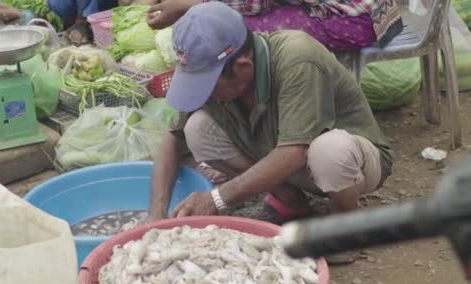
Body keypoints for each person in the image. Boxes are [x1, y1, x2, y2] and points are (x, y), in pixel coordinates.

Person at [145, 2, 393, 263]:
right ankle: (290, 200)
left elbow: (295, 152)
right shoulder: (216, 71)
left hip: (354, 164)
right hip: (286, 158)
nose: (203, 93)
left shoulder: (297, 57)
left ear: (242, 67)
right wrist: (155, 213)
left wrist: (217, 199)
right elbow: (174, 138)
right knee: (197, 130)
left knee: (330, 150)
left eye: (208, 84)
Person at [147, 0, 403, 52]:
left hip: (352, 19)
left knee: (235, 27)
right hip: (381, 10)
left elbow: (254, 4)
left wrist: (187, 6)